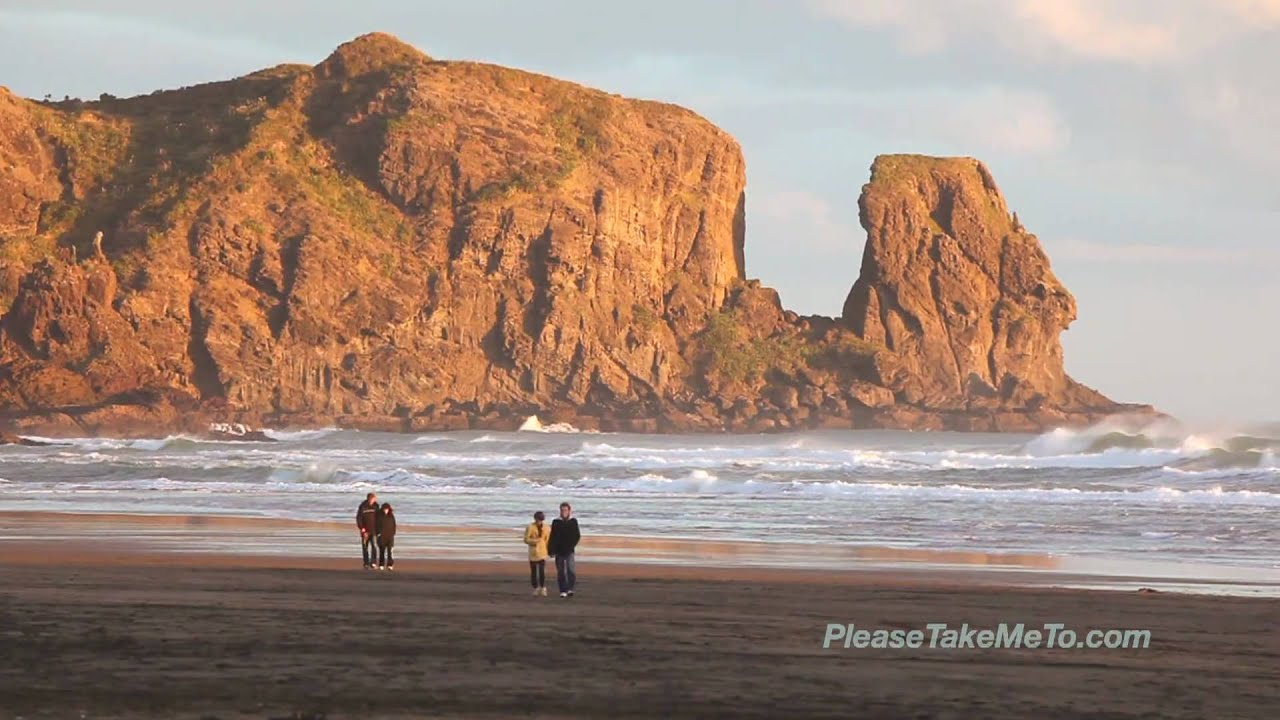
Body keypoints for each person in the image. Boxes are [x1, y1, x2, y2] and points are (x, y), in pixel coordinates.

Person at [548, 501, 581, 598]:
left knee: (571, 570)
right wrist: (551, 550)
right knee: (561, 571)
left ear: (569, 511)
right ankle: (562, 590)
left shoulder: (573, 521)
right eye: (562, 510)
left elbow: (577, 536)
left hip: (570, 550)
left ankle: (570, 588)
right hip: (559, 551)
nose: (564, 512)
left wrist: (571, 546)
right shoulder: (556, 522)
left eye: (565, 510)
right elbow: (552, 537)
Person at [524, 511, 551, 596]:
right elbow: (526, 539)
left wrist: (549, 550)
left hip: (542, 552)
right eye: (538, 519)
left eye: (541, 520)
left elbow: (548, 540)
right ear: (535, 519)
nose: (539, 521)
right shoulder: (530, 527)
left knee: (542, 571)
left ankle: (543, 587)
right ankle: (535, 587)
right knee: (533, 572)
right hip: (533, 553)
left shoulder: (547, 528)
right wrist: (534, 541)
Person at [355, 492, 380, 569]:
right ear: (368, 499)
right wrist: (362, 528)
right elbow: (359, 518)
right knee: (365, 547)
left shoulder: (376, 506)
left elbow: (379, 519)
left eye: (374, 499)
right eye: (371, 499)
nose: (372, 501)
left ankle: (373, 562)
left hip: (374, 530)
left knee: (374, 546)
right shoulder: (362, 506)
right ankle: (366, 563)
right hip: (365, 530)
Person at [376, 503, 397, 571]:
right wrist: (378, 533)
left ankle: (390, 564)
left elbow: (394, 524)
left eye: (387, 509)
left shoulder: (391, 516)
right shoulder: (379, 516)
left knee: (390, 551)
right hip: (382, 536)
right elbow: (376, 525)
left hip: (390, 536)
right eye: (384, 509)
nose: (386, 510)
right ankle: (381, 564)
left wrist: (393, 533)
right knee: (382, 551)